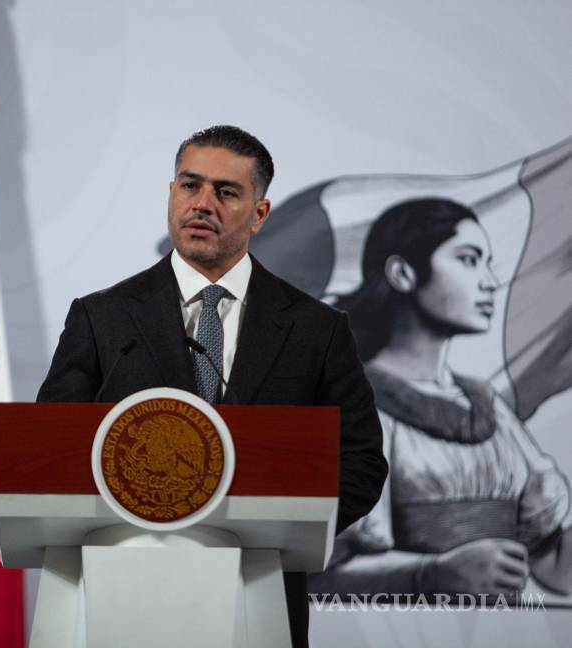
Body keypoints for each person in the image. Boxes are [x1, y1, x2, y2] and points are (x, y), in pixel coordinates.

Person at [37, 125, 388, 647]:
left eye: (225, 192)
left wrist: (283, 528)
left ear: (259, 214)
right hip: (121, 590)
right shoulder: (101, 318)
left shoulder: (317, 329)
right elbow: (51, 452)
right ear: (171, 193)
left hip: (259, 592)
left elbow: (361, 461)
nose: (202, 204)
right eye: (189, 185)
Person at [309, 198, 572, 597]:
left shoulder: (487, 406)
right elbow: (317, 571)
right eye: (468, 260)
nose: (489, 281)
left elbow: (552, 565)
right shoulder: (354, 402)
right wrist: (431, 573)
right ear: (403, 274)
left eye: (487, 264)